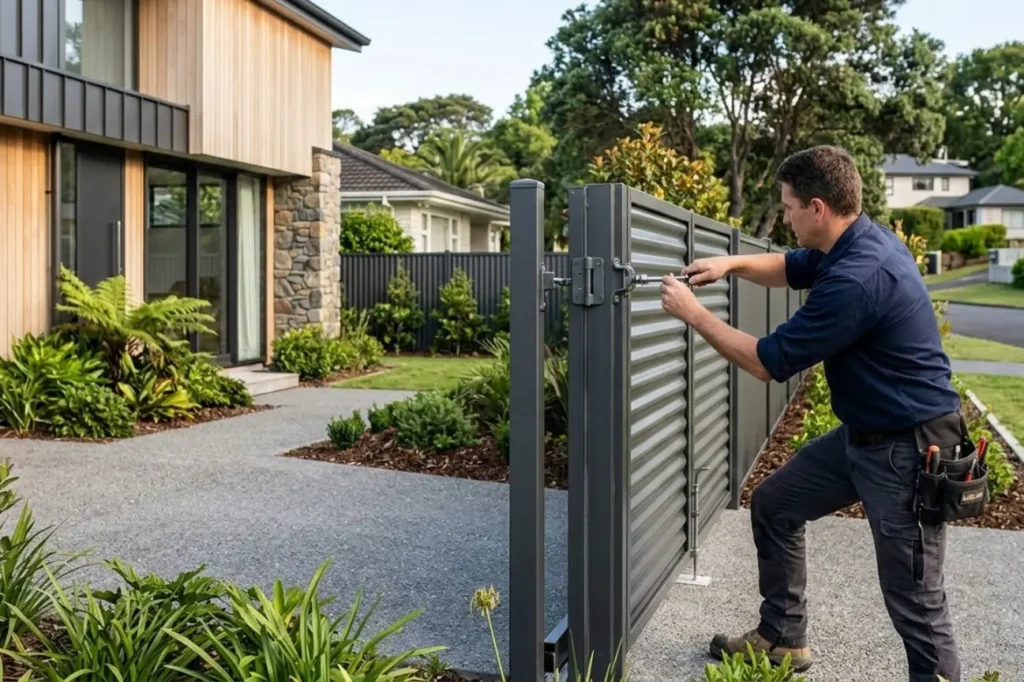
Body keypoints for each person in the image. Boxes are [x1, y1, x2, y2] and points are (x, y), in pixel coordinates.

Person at [658, 145, 965, 682]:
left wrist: (693, 315)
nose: (785, 216)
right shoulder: (851, 243)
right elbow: (787, 265)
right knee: (775, 505)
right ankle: (783, 638)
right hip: (866, 436)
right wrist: (728, 264)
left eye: (789, 206)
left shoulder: (857, 278)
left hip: (911, 450)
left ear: (818, 207)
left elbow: (765, 362)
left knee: (915, 599)